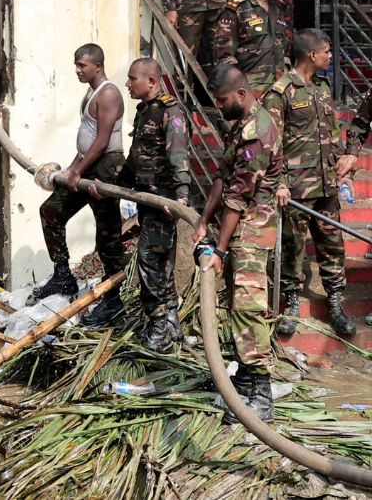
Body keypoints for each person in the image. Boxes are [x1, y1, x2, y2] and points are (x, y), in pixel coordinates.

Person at [194, 64, 283, 422]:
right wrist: (202, 220)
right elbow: (221, 176)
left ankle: (262, 394)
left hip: (252, 231)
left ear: (241, 94)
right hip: (239, 229)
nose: (219, 106)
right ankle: (245, 377)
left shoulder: (258, 132)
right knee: (237, 305)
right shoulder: (240, 128)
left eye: (223, 100)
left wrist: (220, 249)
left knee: (248, 308)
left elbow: (238, 197)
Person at [262, 29, 355, 336]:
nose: (331, 56)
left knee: (332, 246)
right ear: (312, 55)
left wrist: (344, 160)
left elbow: (331, 131)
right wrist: (280, 183)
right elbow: (270, 143)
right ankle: (290, 303)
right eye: (327, 52)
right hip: (297, 189)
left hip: (327, 185)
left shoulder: (323, 88)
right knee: (292, 247)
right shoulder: (281, 91)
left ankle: (336, 303)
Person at [92, 59, 190, 349]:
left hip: (163, 201)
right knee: (155, 262)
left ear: (151, 81)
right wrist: (113, 188)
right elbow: (136, 159)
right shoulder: (145, 111)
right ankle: (169, 323)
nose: (127, 84)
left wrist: (181, 197)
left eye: (132, 79)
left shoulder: (170, 111)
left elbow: (179, 157)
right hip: (144, 198)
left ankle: (160, 325)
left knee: (151, 262)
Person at [33, 44, 126, 305]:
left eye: (82, 65)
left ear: (98, 66)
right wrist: (71, 169)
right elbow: (85, 141)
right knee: (50, 210)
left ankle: (113, 292)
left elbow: (102, 141)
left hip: (106, 167)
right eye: (76, 64)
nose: (77, 70)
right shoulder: (91, 93)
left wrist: (79, 171)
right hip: (88, 163)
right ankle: (63, 274)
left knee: (107, 232)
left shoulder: (108, 94)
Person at [212, 0, 292, 96]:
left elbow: (284, 51)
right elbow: (224, 57)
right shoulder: (238, 8)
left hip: (279, 93)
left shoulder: (278, 9)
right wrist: (238, 91)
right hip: (249, 94)